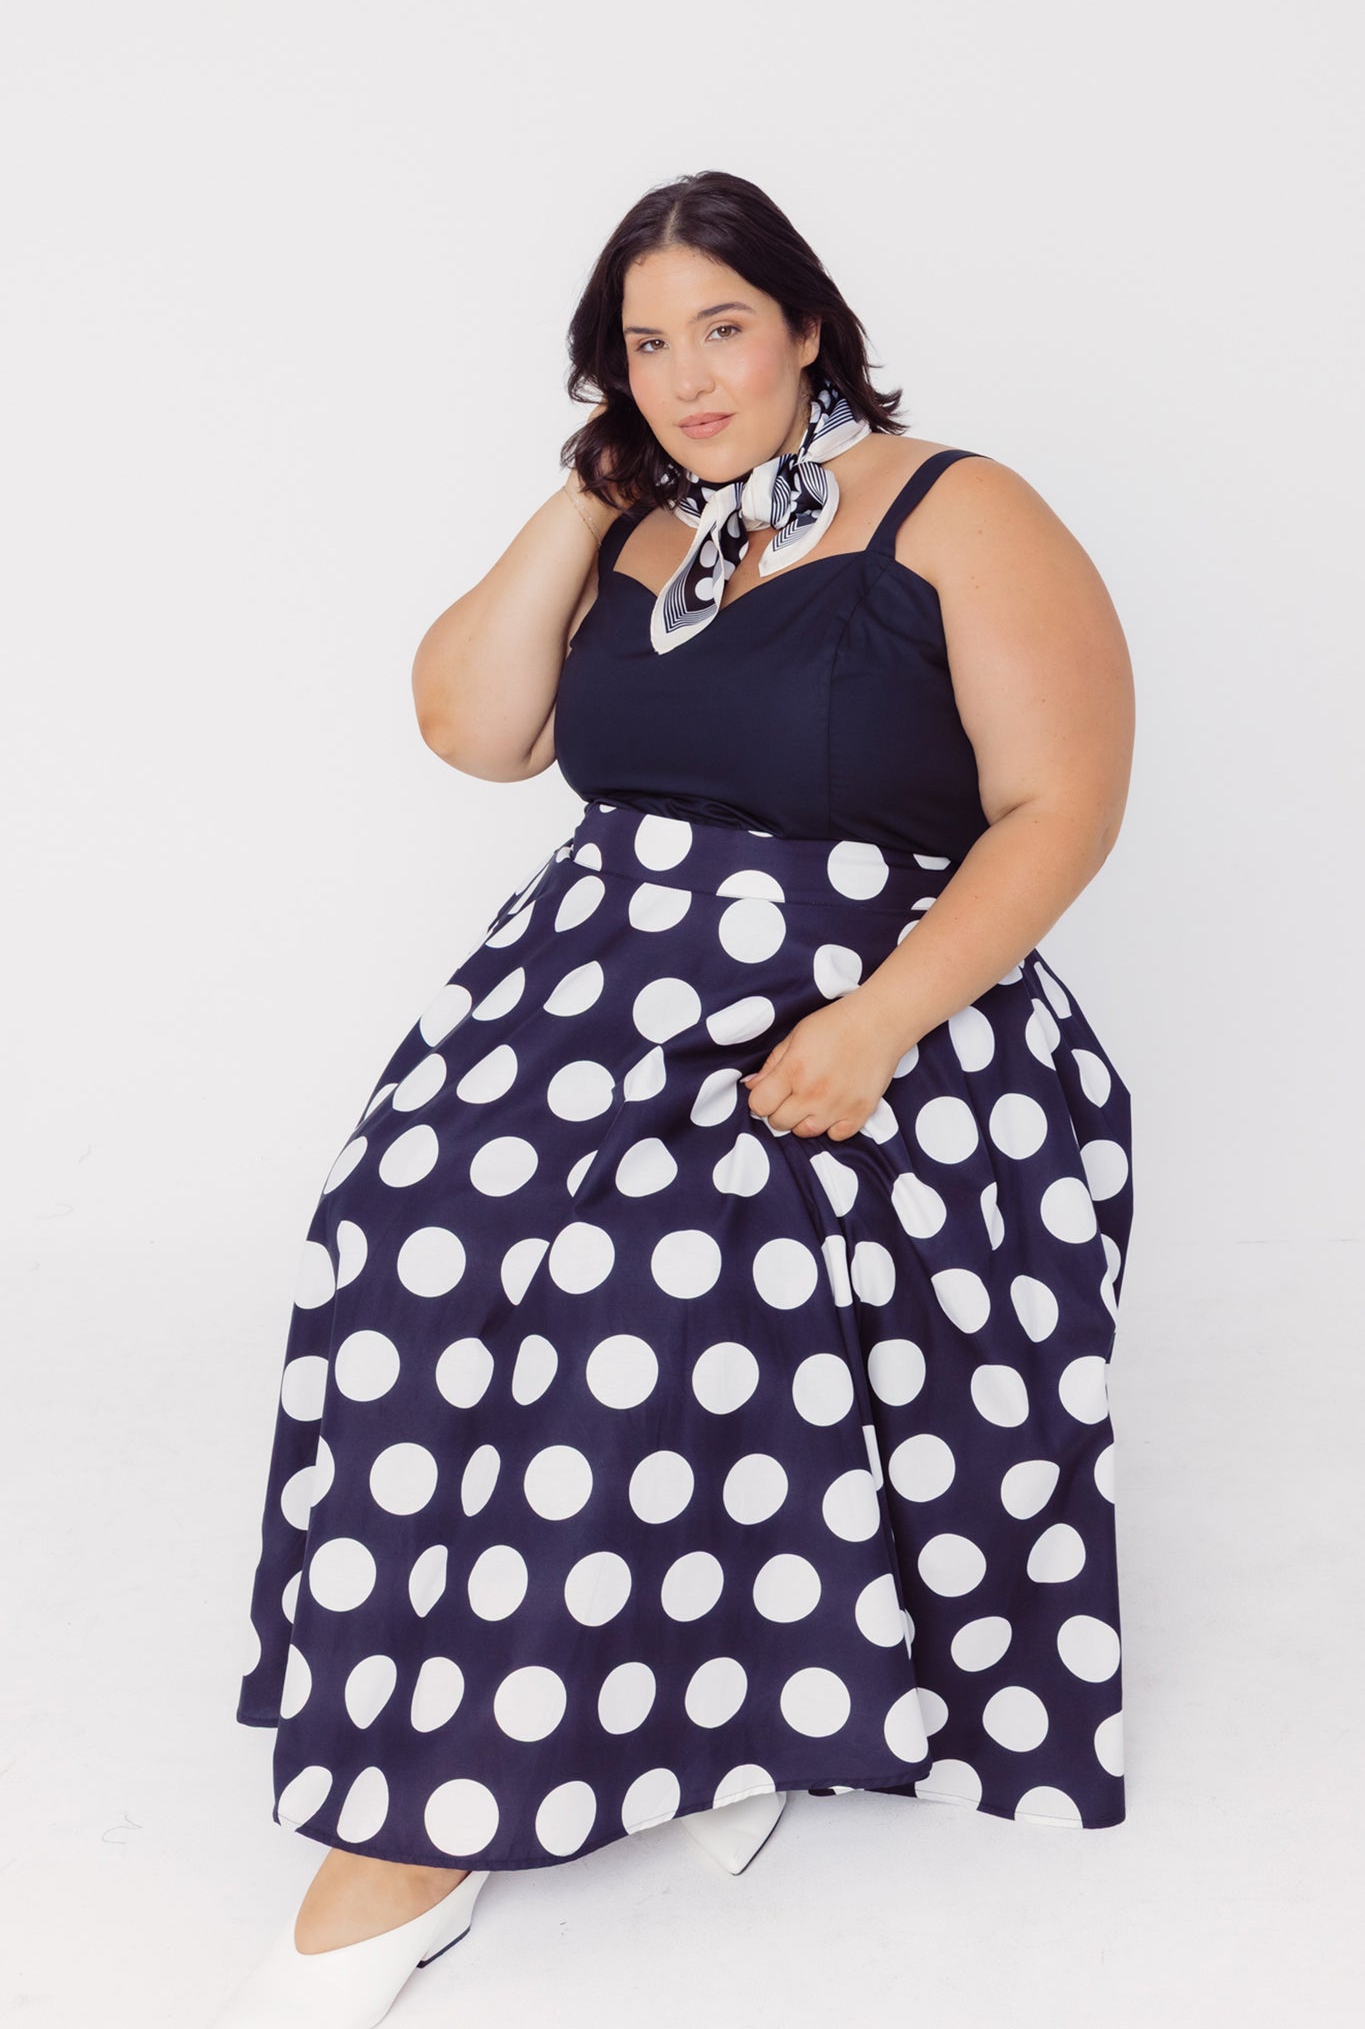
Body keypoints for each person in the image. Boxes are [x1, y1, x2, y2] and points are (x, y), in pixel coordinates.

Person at [212, 169, 1136, 2027]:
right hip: (580, 996)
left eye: (722, 327)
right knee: (393, 1236)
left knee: (639, 1293)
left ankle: (421, 1821)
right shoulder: (641, 531)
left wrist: (875, 1023)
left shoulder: (960, 511)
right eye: (644, 346)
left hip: (890, 1015)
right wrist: (584, 501)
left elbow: (1062, 806)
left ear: (806, 325)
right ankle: (620, 1696)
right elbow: (477, 734)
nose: (688, 376)